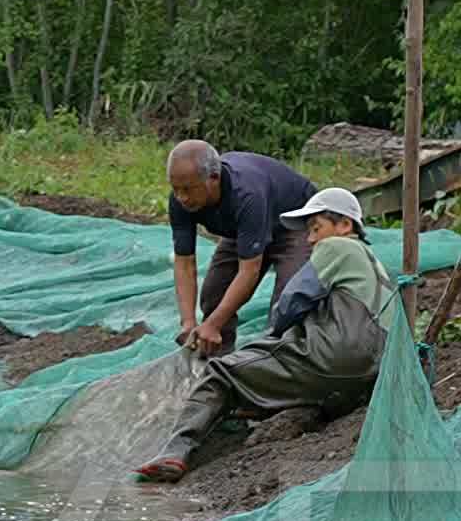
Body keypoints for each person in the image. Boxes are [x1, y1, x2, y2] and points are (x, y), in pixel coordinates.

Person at [137, 186, 397, 484]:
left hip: (337, 355)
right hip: (373, 374)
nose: (310, 240)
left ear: (345, 225)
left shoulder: (337, 247)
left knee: (223, 371)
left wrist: (265, 342)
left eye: (316, 228)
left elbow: (292, 302)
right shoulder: (376, 265)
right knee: (272, 370)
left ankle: (175, 450)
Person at [166, 138, 319, 355]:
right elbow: (184, 263)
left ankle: (279, 364)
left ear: (213, 178)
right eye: (176, 189)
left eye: (189, 189)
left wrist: (213, 324)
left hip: (294, 224)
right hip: (244, 228)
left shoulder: (246, 193)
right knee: (214, 293)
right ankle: (219, 362)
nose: (182, 197)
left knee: (288, 301)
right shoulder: (180, 201)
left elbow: (249, 271)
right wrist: (188, 323)